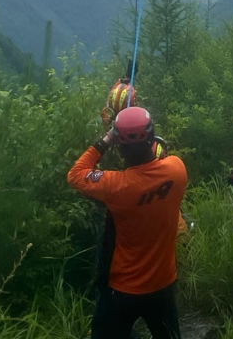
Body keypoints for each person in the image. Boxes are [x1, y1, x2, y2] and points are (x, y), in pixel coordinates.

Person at [67, 105, 188, 339]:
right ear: (152, 140)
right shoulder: (177, 170)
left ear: (121, 148)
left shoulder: (117, 186)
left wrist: (108, 136)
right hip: (163, 284)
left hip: (122, 291)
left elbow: (76, 173)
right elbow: (163, 157)